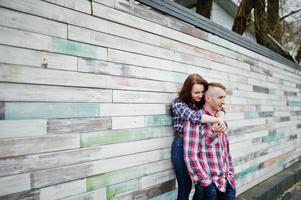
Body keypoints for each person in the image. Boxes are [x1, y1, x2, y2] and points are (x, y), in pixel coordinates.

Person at [171, 74, 226, 200]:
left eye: (202, 92)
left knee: (203, 184)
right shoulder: (178, 104)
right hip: (182, 144)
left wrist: (220, 118)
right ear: (187, 90)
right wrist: (218, 120)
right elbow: (195, 118)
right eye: (196, 92)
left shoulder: (200, 102)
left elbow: (221, 107)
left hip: (202, 143)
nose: (200, 95)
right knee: (185, 186)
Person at [183, 82, 236, 200]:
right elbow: (190, 156)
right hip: (209, 185)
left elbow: (226, 150)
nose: (223, 101)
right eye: (220, 97)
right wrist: (205, 181)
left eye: (224, 97)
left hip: (227, 182)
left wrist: (231, 174)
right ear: (208, 98)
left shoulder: (220, 119)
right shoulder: (194, 121)